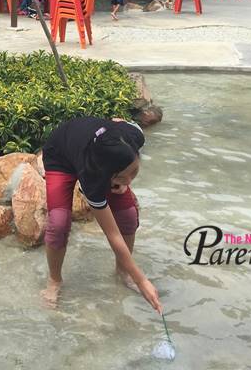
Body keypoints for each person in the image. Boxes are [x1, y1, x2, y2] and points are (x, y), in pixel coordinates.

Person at [40, 116, 163, 314]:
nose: (129, 180)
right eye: (122, 176)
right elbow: (112, 234)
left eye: (134, 172)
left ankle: (122, 272)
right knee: (59, 222)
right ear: (106, 175)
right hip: (60, 155)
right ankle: (54, 280)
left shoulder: (134, 137)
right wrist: (142, 280)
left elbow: (121, 122)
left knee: (128, 216)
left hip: (96, 149)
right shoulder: (94, 180)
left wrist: (122, 181)